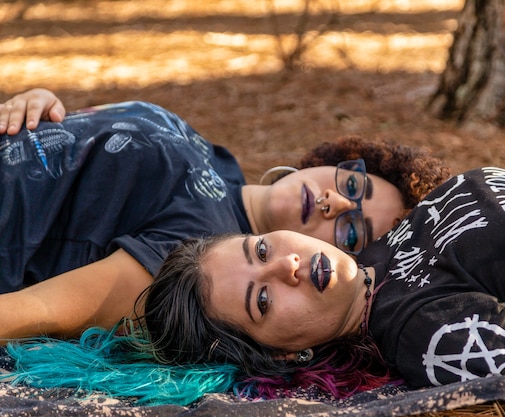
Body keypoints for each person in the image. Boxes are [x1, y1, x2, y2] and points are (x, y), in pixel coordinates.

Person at [0, 88, 450, 341]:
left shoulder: (204, 263)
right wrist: (38, 100)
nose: (337, 203)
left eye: (351, 232)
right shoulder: (223, 164)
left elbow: (39, 310)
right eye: (355, 185)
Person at [139, 166, 505, 399]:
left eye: (261, 249)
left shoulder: (383, 242)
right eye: (262, 299)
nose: (284, 266)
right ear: (282, 355)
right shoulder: (426, 333)